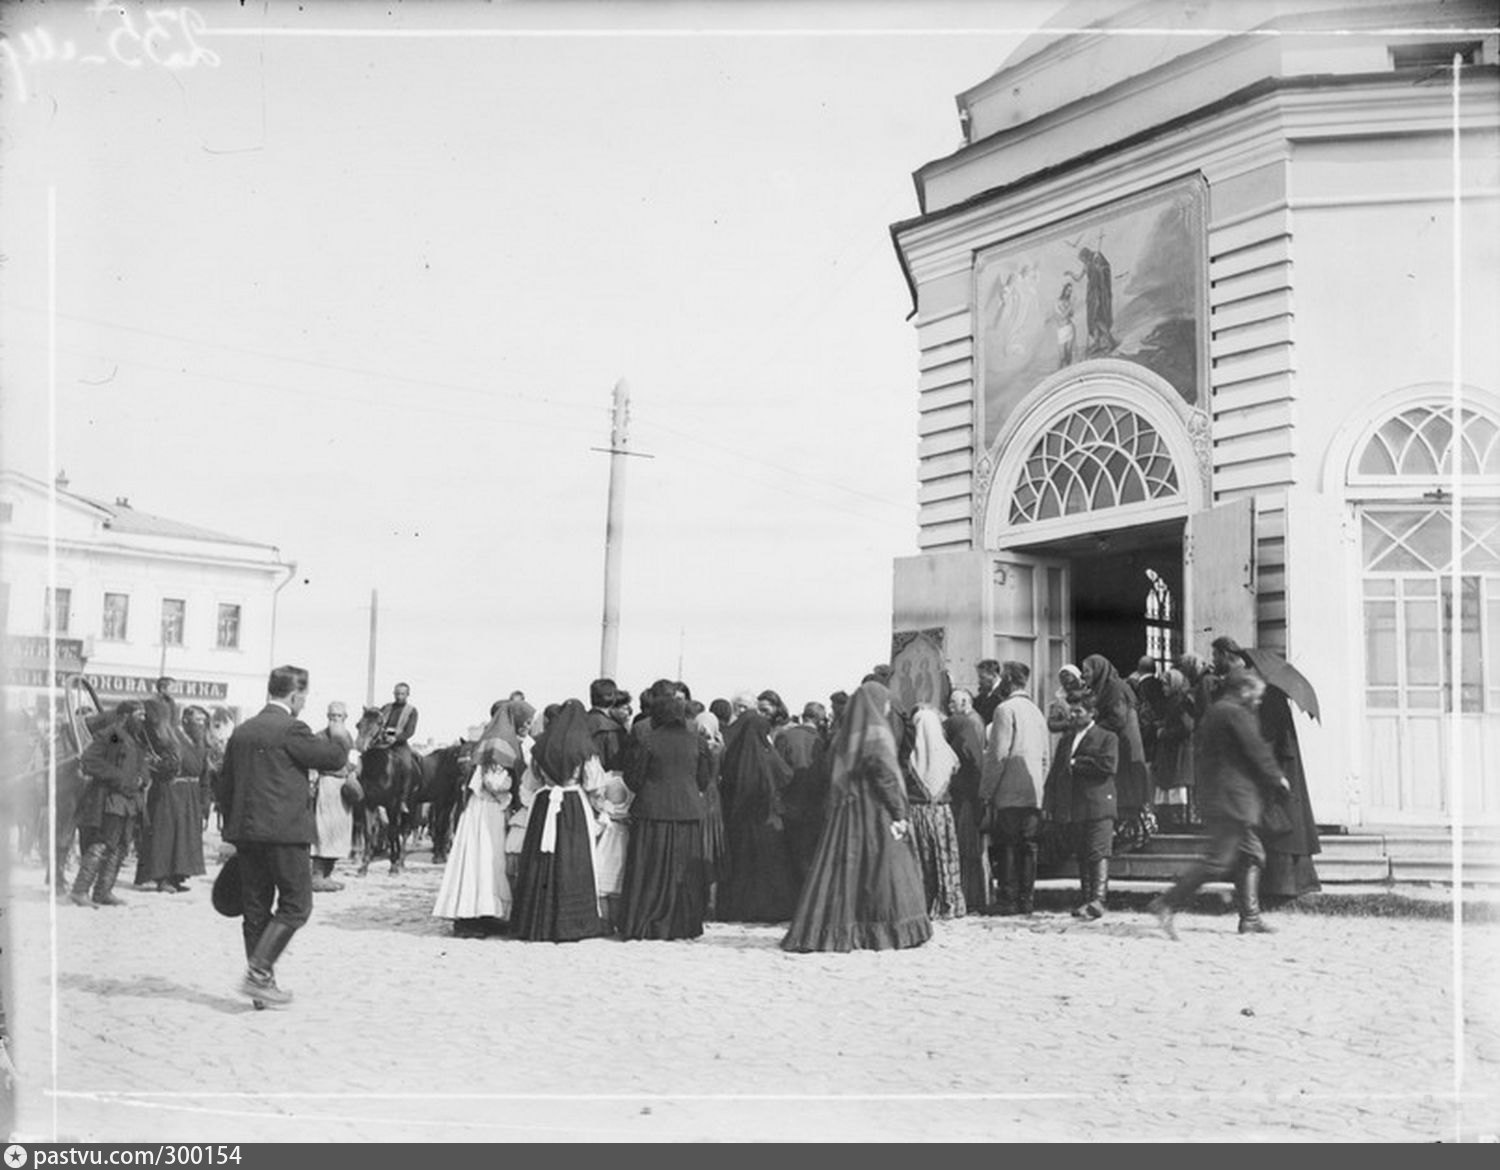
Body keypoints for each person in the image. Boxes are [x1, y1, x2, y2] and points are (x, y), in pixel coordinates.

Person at [219, 665, 351, 1009]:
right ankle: (259, 973)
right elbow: (335, 758)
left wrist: (231, 833)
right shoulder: (293, 729)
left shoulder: (243, 731)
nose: (304, 703)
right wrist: (338, 732)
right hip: (285, 835)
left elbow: (225, 787)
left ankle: (261, 989)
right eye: (303, 697)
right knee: (297, 906)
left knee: (256, 909)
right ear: (294, 696)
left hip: (248, 835)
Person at [782, 681, 932, 953]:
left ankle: (839, 928)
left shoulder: (844, 734)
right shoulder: (875, 733)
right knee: (885, 871)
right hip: (875, 811)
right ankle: (887, 929)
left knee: (844, 872)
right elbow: (884, 775)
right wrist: (899, 812)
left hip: (846, 812)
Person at [1150, 669, 1292, 938]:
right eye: (1257, 696)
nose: (1258, 701)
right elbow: (1256, 748)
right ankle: (1166, 903)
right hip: (1232, 799)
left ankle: (1250, 918)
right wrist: (1277, 777)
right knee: (1218, 861)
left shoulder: (1216, 711)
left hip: (1219, 795)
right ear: (1245, 690)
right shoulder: (1236, 713)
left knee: (1252, 854)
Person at [1210, 636, 1322, 903]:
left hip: (1276, 762)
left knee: (1279, 824)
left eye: (1217, 656)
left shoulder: (1263, 691)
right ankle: (1259, 895)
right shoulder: (1259, 686)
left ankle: (1279, 889)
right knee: (1269, 826)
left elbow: (1266, 731)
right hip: (1269, 762)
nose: (1214, 662)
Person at [617, 693, 712, 940]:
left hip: (652, 811)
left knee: (649, 869)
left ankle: (644, 920)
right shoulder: (697, 742)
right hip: (688, 812)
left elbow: (634, 778)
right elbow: (704, 778)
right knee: (683, 871)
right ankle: (682, 923)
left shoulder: (648, 740)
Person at [510, 699, 605, 942]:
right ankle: (572, 922)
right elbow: (593, 784)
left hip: (544, 806)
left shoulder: (540, 748)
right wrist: (600, 809)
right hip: (573, 804)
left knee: (540, 860)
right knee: (573, 860)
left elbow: (529, 783)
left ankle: (535, 919)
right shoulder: (584, 748)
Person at [432, 707, 521, 938]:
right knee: (485, 861)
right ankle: (476, 916)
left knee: (478, 861)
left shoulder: (487, 740)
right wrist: (511, 789)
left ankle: (482, 914)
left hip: (479, 809)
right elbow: (493, 782)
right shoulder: (500, 743)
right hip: (489, 809)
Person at [979, 662, 1052, 916]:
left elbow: (998, 754)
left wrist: (987, 791)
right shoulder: (1037, 712)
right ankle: (1026, 899)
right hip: (1033, 792)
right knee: (1029, 845)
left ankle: (1008, 899)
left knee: (1007, 844)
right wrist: (1038, 786)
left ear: (1008, 680)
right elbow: (1045, 758)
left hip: (1009, 790)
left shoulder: (1004, 709)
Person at [1043, 692, 1119, 919]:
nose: (1073, 716)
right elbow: (1056, 772)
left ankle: (1098, 899)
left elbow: (1107, 765)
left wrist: (1077, 763)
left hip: (1098, 804)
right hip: (1074, 805)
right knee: (1083, 853)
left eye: (1079, 712)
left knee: (1098, 851)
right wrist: (1049, 801)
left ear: (1092, 713)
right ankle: (1086, 898)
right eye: (1072, 711)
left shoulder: (1107, 737)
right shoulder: (1066, 739)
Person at [717, 709, 797, 923]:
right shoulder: (767, 754)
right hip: (766, 818)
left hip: (738, 819)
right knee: (767, 866)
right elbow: (786, 775)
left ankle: (736, 908)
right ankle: (766, 909)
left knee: (740, 866)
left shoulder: (733, 754)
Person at [72, 701, 150, 908]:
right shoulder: (114, 735)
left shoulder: (136, 739)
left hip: (130, 801)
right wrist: (120, 778)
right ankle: (80, 891)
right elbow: (90, 761)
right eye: (139, 714)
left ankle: (103, 891)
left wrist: (143, 777)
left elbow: (142, 765)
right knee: (103, 843)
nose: (143, 719)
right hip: (110, 799)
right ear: (125, 715)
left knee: (121, 846)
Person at [1080, 654, 1154, 853]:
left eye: (1087, 670)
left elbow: (1117, 718)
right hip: (1119, 747)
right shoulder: (1107, 688)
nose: (1084, 675)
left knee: (1128, 793)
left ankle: (1133, 838)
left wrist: (1091, 727)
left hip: (1125, 749)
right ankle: (1130, 837)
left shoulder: (1114, 688)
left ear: (1098, 670)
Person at [137, 696, 207, 893]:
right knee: (166, 835)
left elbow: (203, 771)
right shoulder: (169, 734)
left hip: (189, 793)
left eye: (202, 721)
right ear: (185, 720)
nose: (200, 725)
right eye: (197, 720)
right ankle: (162, 878)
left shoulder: (195, 741)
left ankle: (177, 876)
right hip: (171, 791)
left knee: (184, 837)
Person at [907, 705, 965, 919]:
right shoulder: (947, 754)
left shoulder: (911, 756)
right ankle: (947, 900)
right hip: (942, 813)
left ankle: (923, 900)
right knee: (943, 857)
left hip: (918, 812)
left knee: (922, 859)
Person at [775, 703, 831, 891]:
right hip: (815, 806)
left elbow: (778, 770)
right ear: (819, 720)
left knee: (790, 855)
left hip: (790, 803)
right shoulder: (822, 742)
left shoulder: (785, 736)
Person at [943, 688, 988, 914]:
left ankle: (975, 896)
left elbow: (973, 761)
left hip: (970, 798)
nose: (950, 706)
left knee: (970, 848)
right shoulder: (963, 725)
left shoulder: (969, 725)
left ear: (966, 702)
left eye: (954, 702)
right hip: (968, 797)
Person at [310, 703, 358, 893]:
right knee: (324, 830)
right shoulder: (320, 737)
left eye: (338, 716)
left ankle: (328, 875)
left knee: (339, 832)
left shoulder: (347, 737)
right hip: (327, 784)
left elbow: (354, 759)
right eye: (332, 716)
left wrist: (353, 771)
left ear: (345, 717)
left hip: (344, 787)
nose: (335, 719)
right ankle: (317, 875)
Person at [973, 659, 1004, 725]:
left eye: (982, 677)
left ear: (994, 675)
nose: (979, 681)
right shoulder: (984, 693)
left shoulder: (1003, 694)